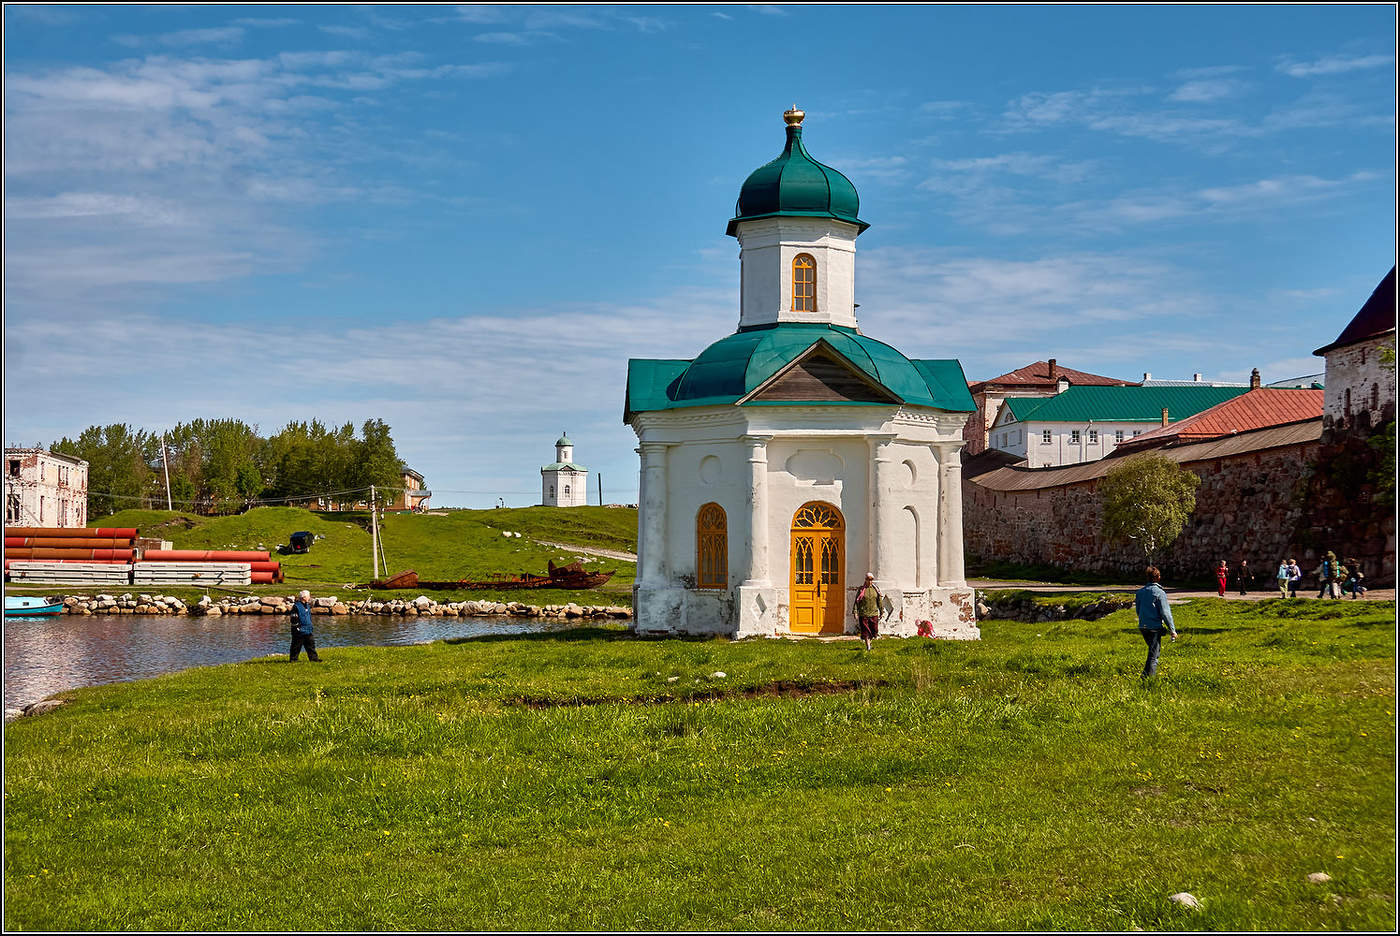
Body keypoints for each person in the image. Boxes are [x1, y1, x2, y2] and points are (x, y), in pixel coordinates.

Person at [1135, 566, 1177, 678]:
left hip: (1143, 626)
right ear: (1158, 577)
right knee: (1154, 655)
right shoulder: (1160, 593)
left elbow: (1138, 610)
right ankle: (1148, 679)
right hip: (1154, 627)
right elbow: (1165, 613)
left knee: (1152, 651)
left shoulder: (1140, 592)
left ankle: (1145, 676)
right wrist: (1172, 630)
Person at [289, 589, 322, 662]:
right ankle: (293, 660)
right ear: (304, 597)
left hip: (308, 629)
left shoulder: (307, 605)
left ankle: (314, 659)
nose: (309, 598)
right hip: (299, 631)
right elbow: (293, 618)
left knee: (311, 645)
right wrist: (297, 628)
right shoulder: (296, 606)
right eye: (308, 596)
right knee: (296, 646)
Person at [854, 572, 882, 651]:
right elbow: (857, 601)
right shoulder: (861, 590)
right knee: (865, 631)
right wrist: (855, 612)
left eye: (871, 579)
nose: (869, 581)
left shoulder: (876, 589)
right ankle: (868, 646)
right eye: (868, 579)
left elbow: (879, 601)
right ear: (865, 580)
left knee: (874, 630)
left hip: (874, 613)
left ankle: (870, 641)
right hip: (864, 613)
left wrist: (881, 611)